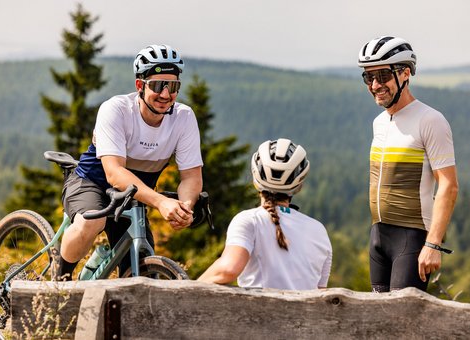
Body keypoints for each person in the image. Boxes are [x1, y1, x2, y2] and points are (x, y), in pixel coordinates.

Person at [57, 44, 203, 280]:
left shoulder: (184, 118)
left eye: (173, 86)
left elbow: (191, 177)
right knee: (91, 222)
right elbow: (114, 173)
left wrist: (184, 206)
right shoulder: (115, 110)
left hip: (133, 195)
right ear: (139, 86)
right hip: (92, 182)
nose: (166, 94)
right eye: (157, 86)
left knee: (141, 270)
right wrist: (161, 202)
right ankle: (57, 284)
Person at [357, 36, 459, 292]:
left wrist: (433, 244)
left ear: (405, 73)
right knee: (377, 323)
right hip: (378, 236)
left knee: (403, 327)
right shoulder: (379, 122)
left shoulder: (430, 120)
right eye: (368, 77)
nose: (375, 85)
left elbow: (448, 185)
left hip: (412, 237)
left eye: (382, 75)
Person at [198, 138, 332, 290]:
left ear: (255, 178)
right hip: (309, 314)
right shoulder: (319, 230)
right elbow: (321, 292)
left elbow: (227, 270)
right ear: (299, 185)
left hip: (258, 314)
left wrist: (190, 287)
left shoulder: (249, 220)